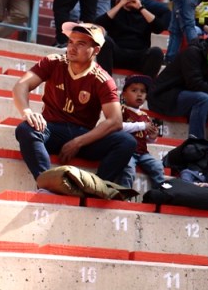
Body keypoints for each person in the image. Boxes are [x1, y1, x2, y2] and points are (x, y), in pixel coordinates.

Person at [14, 22, 135, 185]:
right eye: (71, 42)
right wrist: (27, 112)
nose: (72, 47)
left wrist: (77, 142)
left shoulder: (103, 79)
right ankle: (47, 182)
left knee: (127, 142)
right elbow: (21, 85)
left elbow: (115, 121)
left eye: (81, 44)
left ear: (96, 50)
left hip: (83, 136)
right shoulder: (53, 62)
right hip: (51, 129)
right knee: (25, 129)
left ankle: (98, 187)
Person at [150, 28, 208, 139]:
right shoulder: (192, 52)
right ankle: (195, 143)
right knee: (203, 98)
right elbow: (194, 84)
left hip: (187, 99)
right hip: (164, 96)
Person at [94, 0, 168, 79]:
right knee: (105, 41)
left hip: (139, 56)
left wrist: (140, 7)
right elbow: (98, 23)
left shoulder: (144, 14)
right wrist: (121, 4)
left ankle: (146, 86)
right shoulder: (116, 12)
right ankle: (105, 82)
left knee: (157, 52)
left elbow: (159, 28)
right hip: (118, 54)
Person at [119, 74, 164, 191]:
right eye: (134, 90)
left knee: (158, 166)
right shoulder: (121, 109)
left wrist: (152, 137)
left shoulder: (145, 116)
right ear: (124, 94)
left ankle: (159, 194)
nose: (139, 94)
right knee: (128, 169)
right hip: (127, 151)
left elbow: (145, 138)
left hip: (143, 153)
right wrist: (142, 125)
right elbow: (118, 126)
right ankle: (125, 194)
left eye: (143, 91)